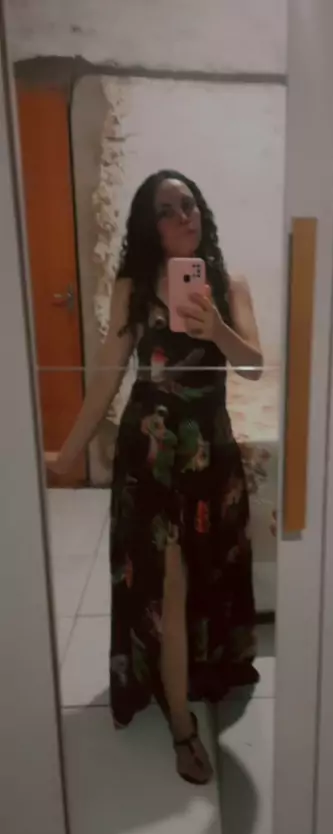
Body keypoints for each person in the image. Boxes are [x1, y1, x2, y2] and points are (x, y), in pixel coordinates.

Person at [49, 170, 263, 785]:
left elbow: (253, 366)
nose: (183, 216)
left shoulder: (229, 284)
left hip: (210, 452)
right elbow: (107, 376)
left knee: (207, 574)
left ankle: (196, 674)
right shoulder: (135, 289)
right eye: (167, 210)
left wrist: (216, 329)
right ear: (151, 228)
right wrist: (67, 456)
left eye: (188, 203)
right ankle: (181, 727)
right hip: (150, 454)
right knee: (167, 583)